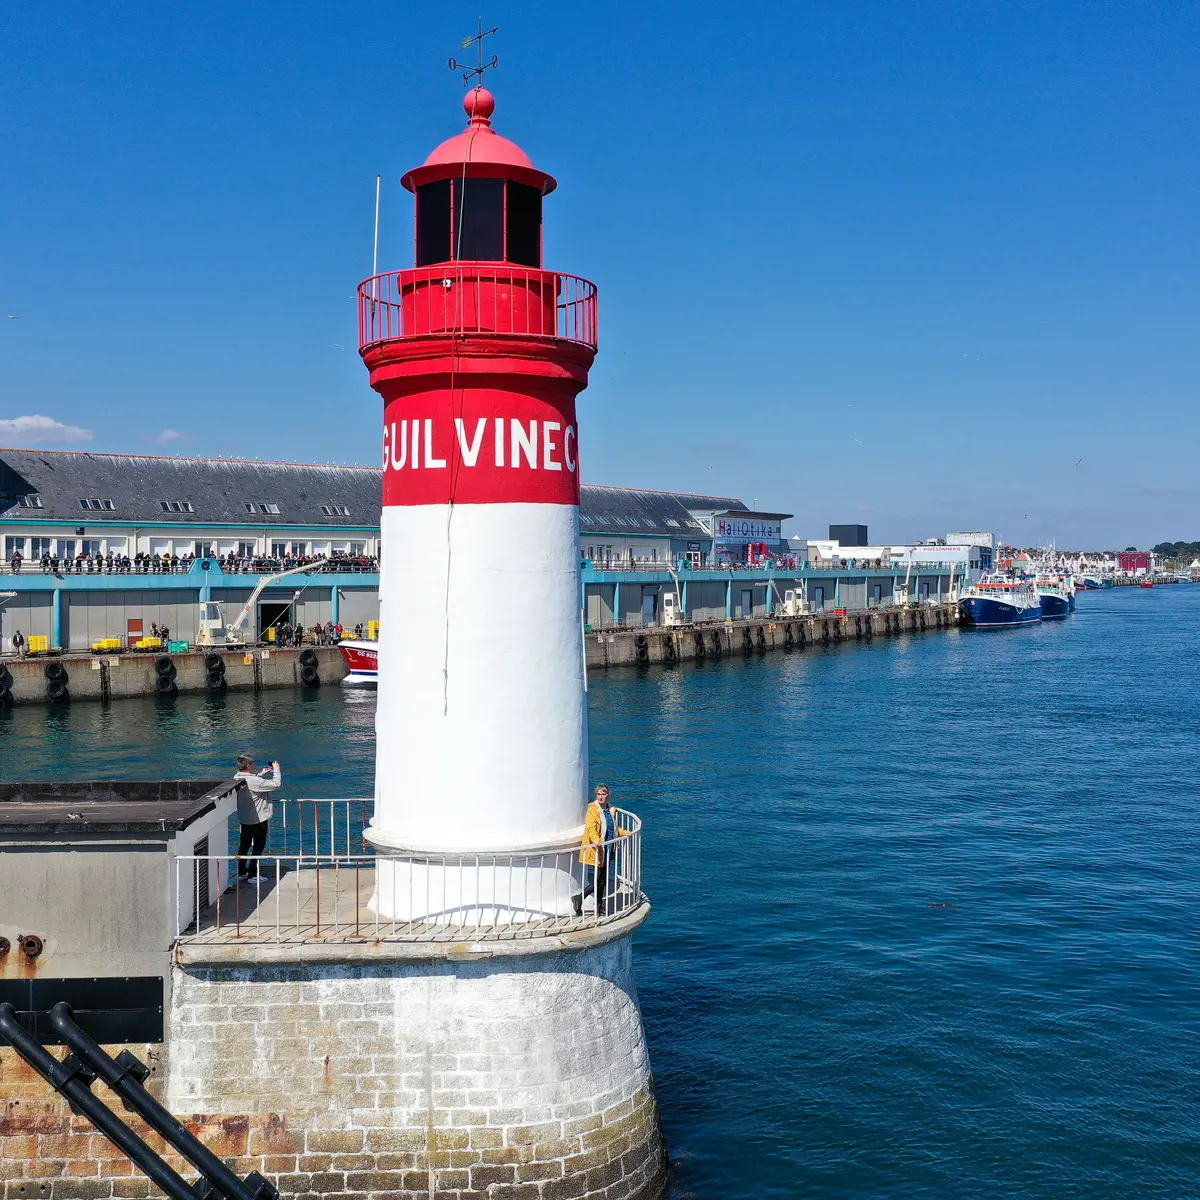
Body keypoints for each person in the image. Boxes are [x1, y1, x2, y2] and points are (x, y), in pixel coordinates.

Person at [574, 784, 628, 918]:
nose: (600, 797)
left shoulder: (611, 810)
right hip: (598, 850)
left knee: (603, 879)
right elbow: (591, 827)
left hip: (608, 849)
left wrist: (623, 832)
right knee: (600, 880)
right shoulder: (592, 809)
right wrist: (595, 839)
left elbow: (612, 828)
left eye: (603, 794)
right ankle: (579, 898)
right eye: (598, 794)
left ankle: (599, 907)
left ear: (608, 795)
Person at [230, 754, 281, 887]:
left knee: (244, 846)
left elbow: (252, 783)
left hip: (244, 818)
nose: (254, 765)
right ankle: (253, 874)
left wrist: (260, 774)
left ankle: (241, 871)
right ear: (248, 766)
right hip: (258, 819)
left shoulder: (236, 778)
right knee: (258, 847)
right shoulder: (255, 781)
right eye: (252, 764)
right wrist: (276, 770)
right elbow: (276, 784)